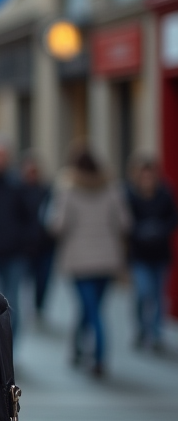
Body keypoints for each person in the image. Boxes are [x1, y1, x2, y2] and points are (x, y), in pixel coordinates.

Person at [48, 146, 130, 377]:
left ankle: (99, 358)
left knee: (91, 310)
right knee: (93, 308)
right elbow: (125, 223)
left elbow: (57, 225)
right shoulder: (112, 188)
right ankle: (78, 348)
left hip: (79, 260)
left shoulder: (68, 189)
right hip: (107, 260)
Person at [124, 155, 177, 352]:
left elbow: (173, 217)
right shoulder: (130, 195)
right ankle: (141, 329)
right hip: (140, 254)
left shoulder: (165, 193)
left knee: (158, 295)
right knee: (143, 292)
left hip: (160, 253)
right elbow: (125, 221)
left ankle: (156, 334)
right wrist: (140, 231)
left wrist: (160, 229)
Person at [0, 137, 32, 334]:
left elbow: (28, 218)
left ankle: (11, 344)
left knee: (12, 303)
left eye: (1, 156)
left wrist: (24, 244)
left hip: (14, 255)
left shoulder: (17, 184)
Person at [20, 153, 56, 323]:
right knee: (23, 281)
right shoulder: (19, 191)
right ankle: (25, 308)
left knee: (43, 281)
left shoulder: (47, 191)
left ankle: (38, 308)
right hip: (25, 246)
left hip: (45, 246)